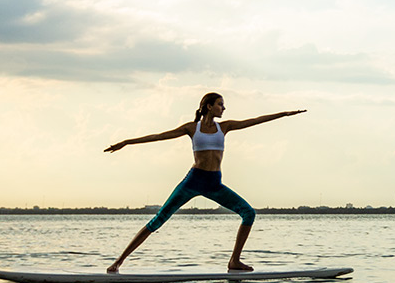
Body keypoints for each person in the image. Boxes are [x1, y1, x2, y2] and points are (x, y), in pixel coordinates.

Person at [104, 92, 304, 273]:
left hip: (214, 183)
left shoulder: (224, 127)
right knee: (158, 220)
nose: (223, 108)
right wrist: (127, 142)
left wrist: (284, 114)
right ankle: (118, 262)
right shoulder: (192, 128)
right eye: (220, 104)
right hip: (193, 181)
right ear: (209, 106)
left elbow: (255, 121)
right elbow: (159, 136)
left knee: (249, 213)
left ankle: (234, 260)